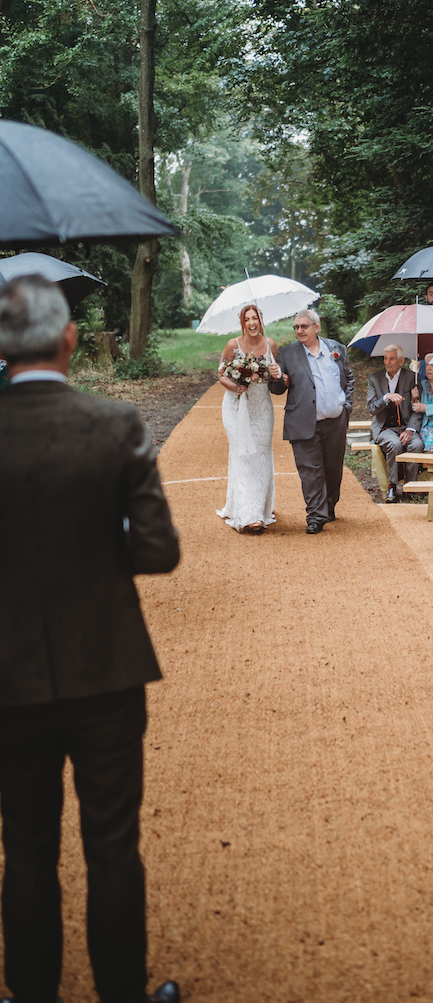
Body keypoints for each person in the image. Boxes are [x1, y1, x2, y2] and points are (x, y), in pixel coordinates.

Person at [0, 275, 181, 1003]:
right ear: (69, 339)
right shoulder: (115, 426)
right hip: (106, 667)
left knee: (26, 848)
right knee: (111, 845)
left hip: (7, 677)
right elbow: (159, 551)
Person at [268, 308, 354, 534]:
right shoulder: (287, 354)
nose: (299, 330)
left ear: (316, 327)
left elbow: (349, 377)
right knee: (310, 470)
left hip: (335, 422)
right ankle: (315, 515)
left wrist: (347, 406)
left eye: (303, 326)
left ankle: (329, 505)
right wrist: (275, 377)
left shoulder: (336, 349)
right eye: (296, 327)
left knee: (332, 469)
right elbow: (277, 389)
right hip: (303, 421)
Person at [216, 304, 282, 533]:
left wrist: (278, 373)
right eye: (248, 319)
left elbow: (278, 381)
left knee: (261, 454)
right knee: (242, 453)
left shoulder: (271, 344)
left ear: (261, 320)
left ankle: (261, 507)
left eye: (255, 318)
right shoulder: (233, 345)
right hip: (235, 406)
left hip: (261, 406)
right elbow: (220, 374)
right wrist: (236, 386)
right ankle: (249, 514)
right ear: (242, 323)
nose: (252, 323)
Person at [367, 344, 424, 503]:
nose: (387, 362)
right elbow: (371, 408)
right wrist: (386, 398)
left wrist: (411, 430)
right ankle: (392, 486)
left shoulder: (413, 378)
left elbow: (417, 409)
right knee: (395, 444)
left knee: (417, 444)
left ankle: (410, 486)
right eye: (385, 358)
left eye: (391, 358)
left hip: (406, 426)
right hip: (384, 427)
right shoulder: (374, 379)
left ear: (401, 361)